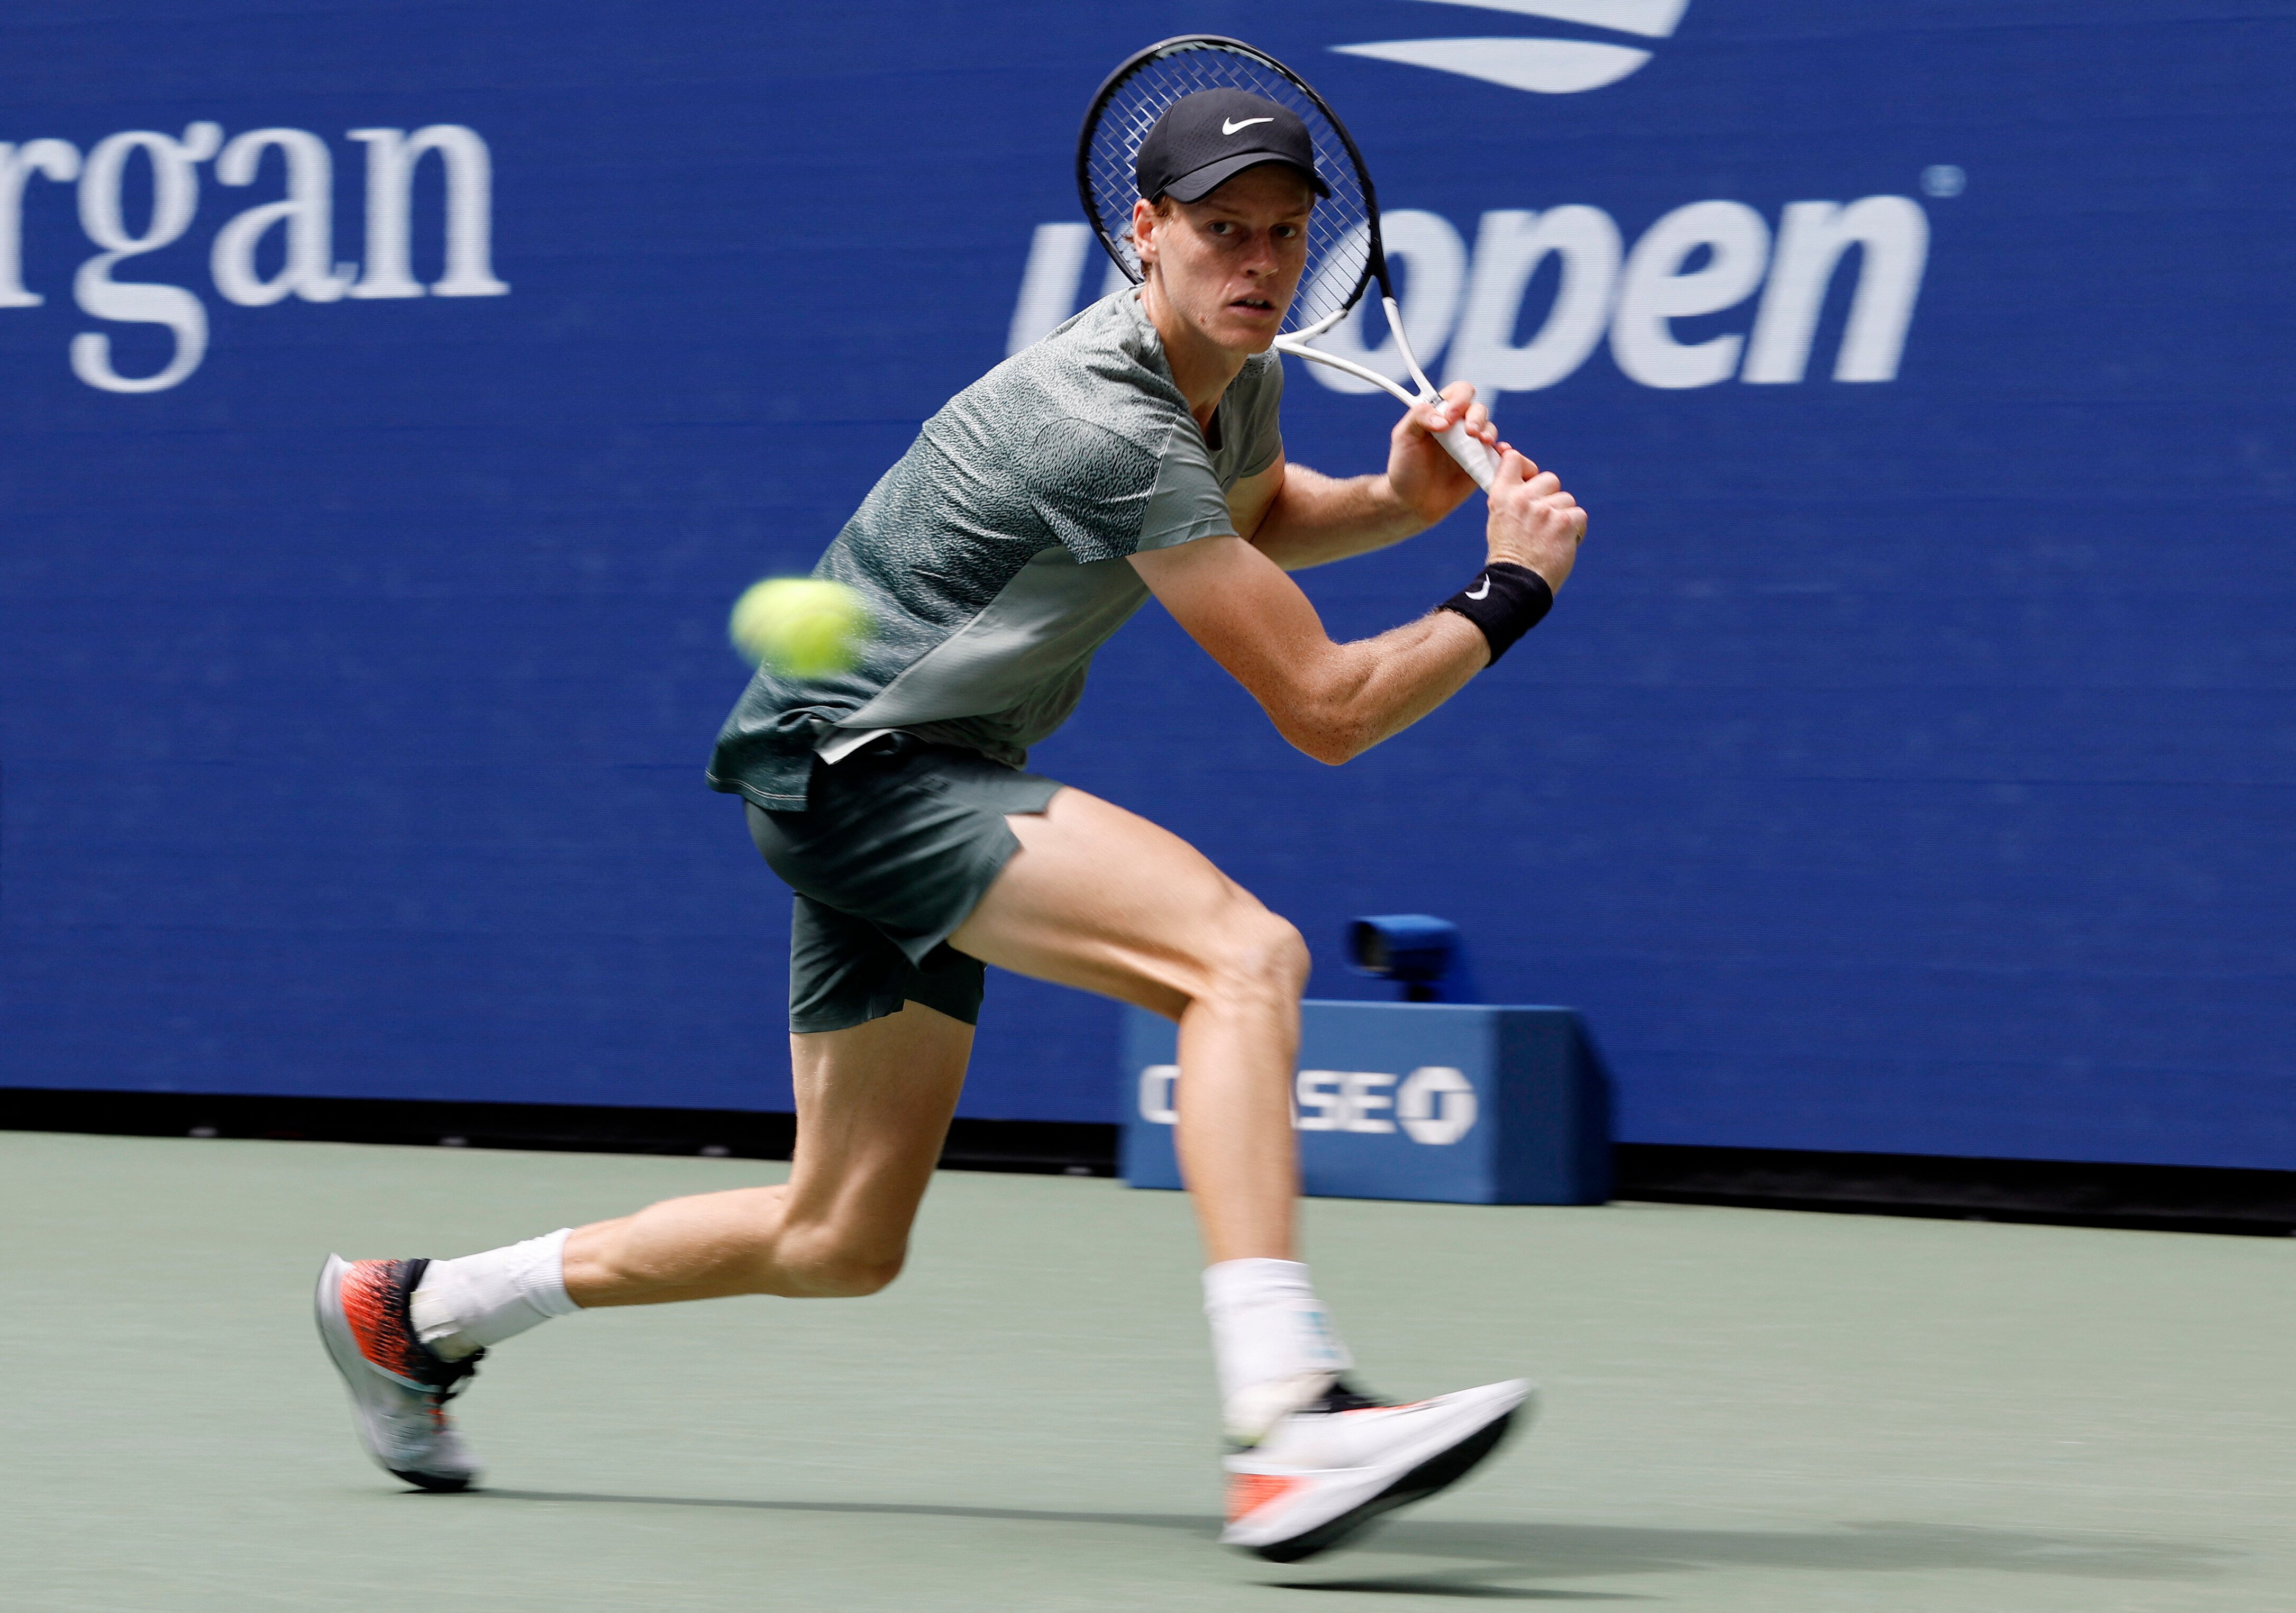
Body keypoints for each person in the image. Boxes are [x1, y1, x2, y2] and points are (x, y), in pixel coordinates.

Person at [315, 85, 1588, 1563]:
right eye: (1221, 232)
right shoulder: (1093, 414)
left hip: (875, 765)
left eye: (1285, 236)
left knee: (839, 1236)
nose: (1258, 263)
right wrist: (1507, 588)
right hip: (865, 768)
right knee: (1238, 958)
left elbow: (1241, 513)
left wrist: (1392, 500)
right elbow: (1323, 707)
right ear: (1145, 234)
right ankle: (1289, 1410)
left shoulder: (1229, 377)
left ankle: (415, 1310)